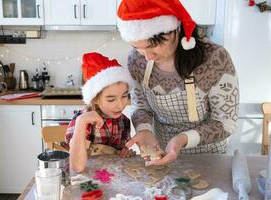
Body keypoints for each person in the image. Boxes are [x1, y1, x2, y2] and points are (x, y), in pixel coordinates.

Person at [117, 0, 239, 166]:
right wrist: (144, 130)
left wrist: (182, 139)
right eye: (138, 47)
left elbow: (225, 123)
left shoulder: (214, 58)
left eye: (153, 46)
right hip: (162, 152)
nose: (147, 56)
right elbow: (141, 107)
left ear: (175, 29)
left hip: (208, 156)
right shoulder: (136, 60)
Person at [65, 52, 136, 172]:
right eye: (111, 99)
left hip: (109, 177)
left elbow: (116, 157)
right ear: (95, 99)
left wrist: (123, 154)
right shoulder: (83, 121)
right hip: (85, 180)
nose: (120, 105)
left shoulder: (124, 122)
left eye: (124, 96)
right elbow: (76, 167)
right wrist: (81, 122)